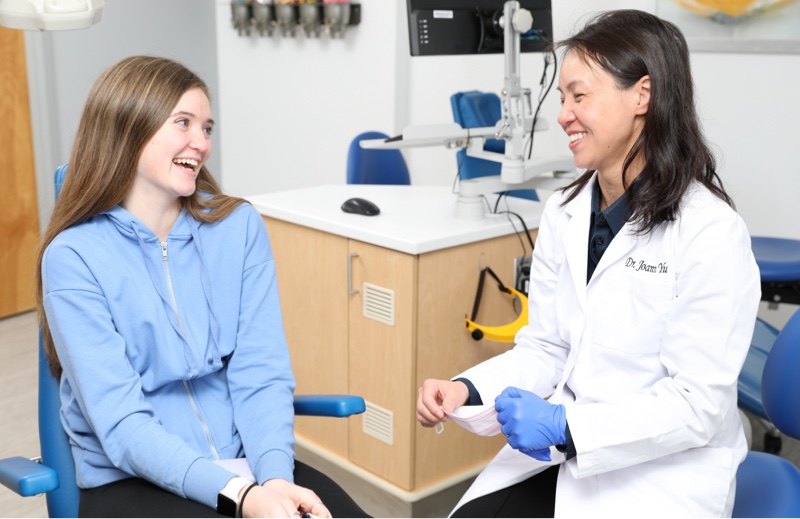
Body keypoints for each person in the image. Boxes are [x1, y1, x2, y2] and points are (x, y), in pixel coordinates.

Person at [416, 10, 760, 518]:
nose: (562, 115)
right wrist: (466, 388)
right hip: (565, 456)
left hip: (664, 474)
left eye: (580, 96)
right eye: (562, 98)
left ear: (642, 95)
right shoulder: (565, 213)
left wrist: (567, 426)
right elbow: (549, 346)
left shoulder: (711, 233)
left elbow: (696, 404)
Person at [36, 55, 368, 518]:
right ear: (127, 128)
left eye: (207, 128)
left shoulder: (238, 226)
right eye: (184, 123)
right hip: (133, 478)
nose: (202, 143)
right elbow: (124, 425)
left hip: (247, 464)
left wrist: (273, 478)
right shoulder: (74, 257)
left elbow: (261, 371)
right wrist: (241, 496)